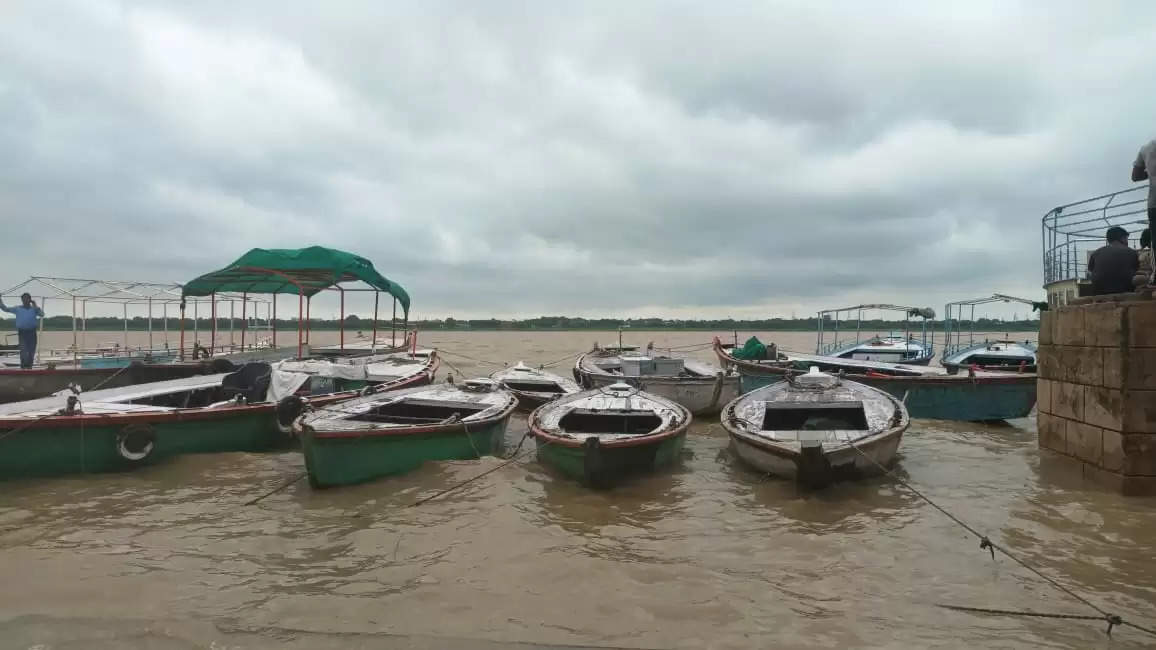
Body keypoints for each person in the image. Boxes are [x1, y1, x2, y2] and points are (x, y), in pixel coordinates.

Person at [1088, 226, 1139, 295]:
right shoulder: (1131, 252)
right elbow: (1136, 270)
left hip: (1099, 293)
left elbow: (1091, 270)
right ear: (1122, 238)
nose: (1127, 241)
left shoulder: (1095, 253)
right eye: (1126, 238)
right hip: (1125, 291)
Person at [0, 293, 44, 368]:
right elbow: (5, 309)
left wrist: (35, 305)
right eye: (23, 299)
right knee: (23, 350)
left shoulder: (34, 309)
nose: (25, 300)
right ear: (21, 300)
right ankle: (23, 366)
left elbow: (42, 314)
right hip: (22, 332)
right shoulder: (17, 308)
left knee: (31, 351)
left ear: (30, 299)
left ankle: (29, 366)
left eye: (27, 298)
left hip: (32, 332)